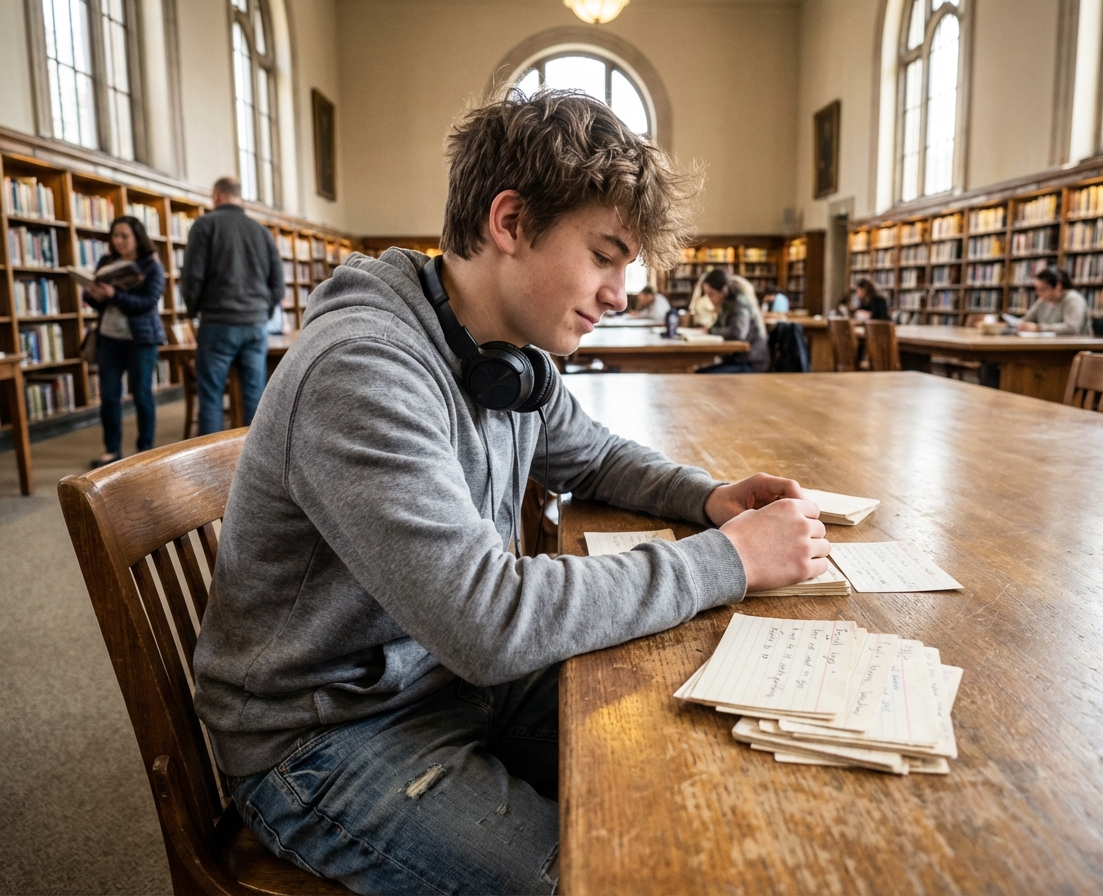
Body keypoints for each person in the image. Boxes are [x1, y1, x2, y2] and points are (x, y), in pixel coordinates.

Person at [192, 90, 830, 895]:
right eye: (604, 255)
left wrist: (710, 500)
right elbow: (486, 619)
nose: (621, 293)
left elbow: (592, 460)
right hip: (327, 738)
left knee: (698, 754)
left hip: (447, 676)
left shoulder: (507, 355)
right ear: (510, 222)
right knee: (609, 878)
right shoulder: (363, 369)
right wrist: (727, 560)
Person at [181, 176, 285, 435]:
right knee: (255, 398)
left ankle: (210, 468)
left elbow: (192, 278)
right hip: (255, 324)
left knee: (212, 398)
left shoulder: (204, 226)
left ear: (216, 195)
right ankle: (252, 466)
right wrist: (263, 312)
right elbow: (278, 284)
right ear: (239, 196)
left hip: (217, 322)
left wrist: (195, 314)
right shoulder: (261, 231)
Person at [82, 216, 166, 467]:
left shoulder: (151, 266)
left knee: (141, 394)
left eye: (124, 236)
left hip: (140, 338)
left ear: (137, 237)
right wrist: (94, 295)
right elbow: (98, 303)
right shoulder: (107, 262)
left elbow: (147, 303)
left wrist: (115, 295)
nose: (118, 241)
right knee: (108, 395)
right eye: (114, 236)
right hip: (109, 337)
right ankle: (112, 449)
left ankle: (145, 449)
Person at [696, 268, 769, 373]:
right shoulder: (727, 304)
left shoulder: (739, 305)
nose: (709, 298)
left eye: (711, 294)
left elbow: (737, 333)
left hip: (751, 363)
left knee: (701, 374)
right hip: (740, 360)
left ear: (724, 291)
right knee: (701, 371)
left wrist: (710, 331)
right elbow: (720, 327)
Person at [1017, 267, 1092, 335]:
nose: (1038, 293)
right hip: (1049, 345)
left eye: (1043, 289)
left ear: (1058, 286)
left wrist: (1039, 328)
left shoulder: (1073, 299)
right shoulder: (1042, 300)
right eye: (1037, 289)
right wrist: (1021, 324)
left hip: (1074, 346)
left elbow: (1072, 328)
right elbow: (1026, 319)